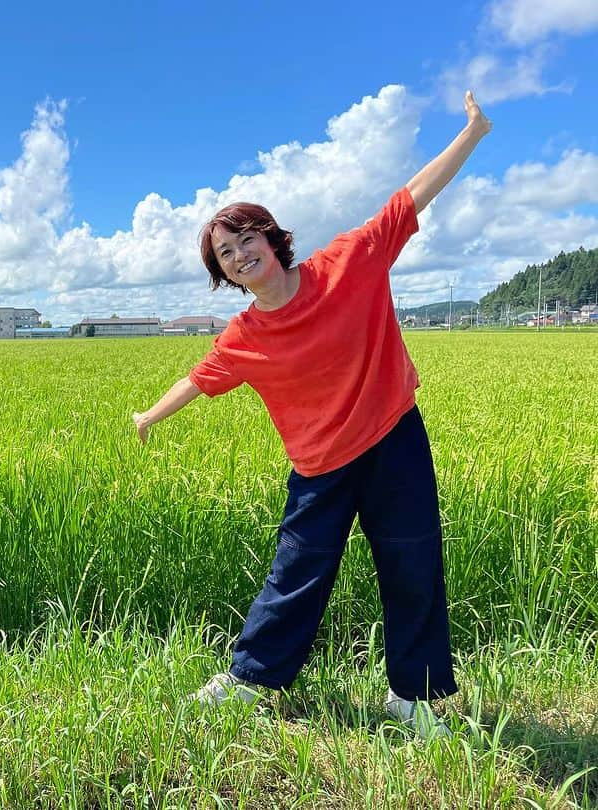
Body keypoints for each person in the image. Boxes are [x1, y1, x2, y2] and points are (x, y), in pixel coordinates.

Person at [132, 91, 492, 739]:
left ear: (272, 239)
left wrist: (473, 133)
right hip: (320, 467)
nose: (241, 255)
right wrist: (147, 415)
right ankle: (247, 683)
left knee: (413, 563)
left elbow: (409, 198)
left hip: (393, 441)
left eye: (247, 240)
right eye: (227, 255)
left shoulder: (349, 263)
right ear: (226, 275)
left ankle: (412, 700)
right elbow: (197, 379)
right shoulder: (241, 338)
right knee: (296, 575)